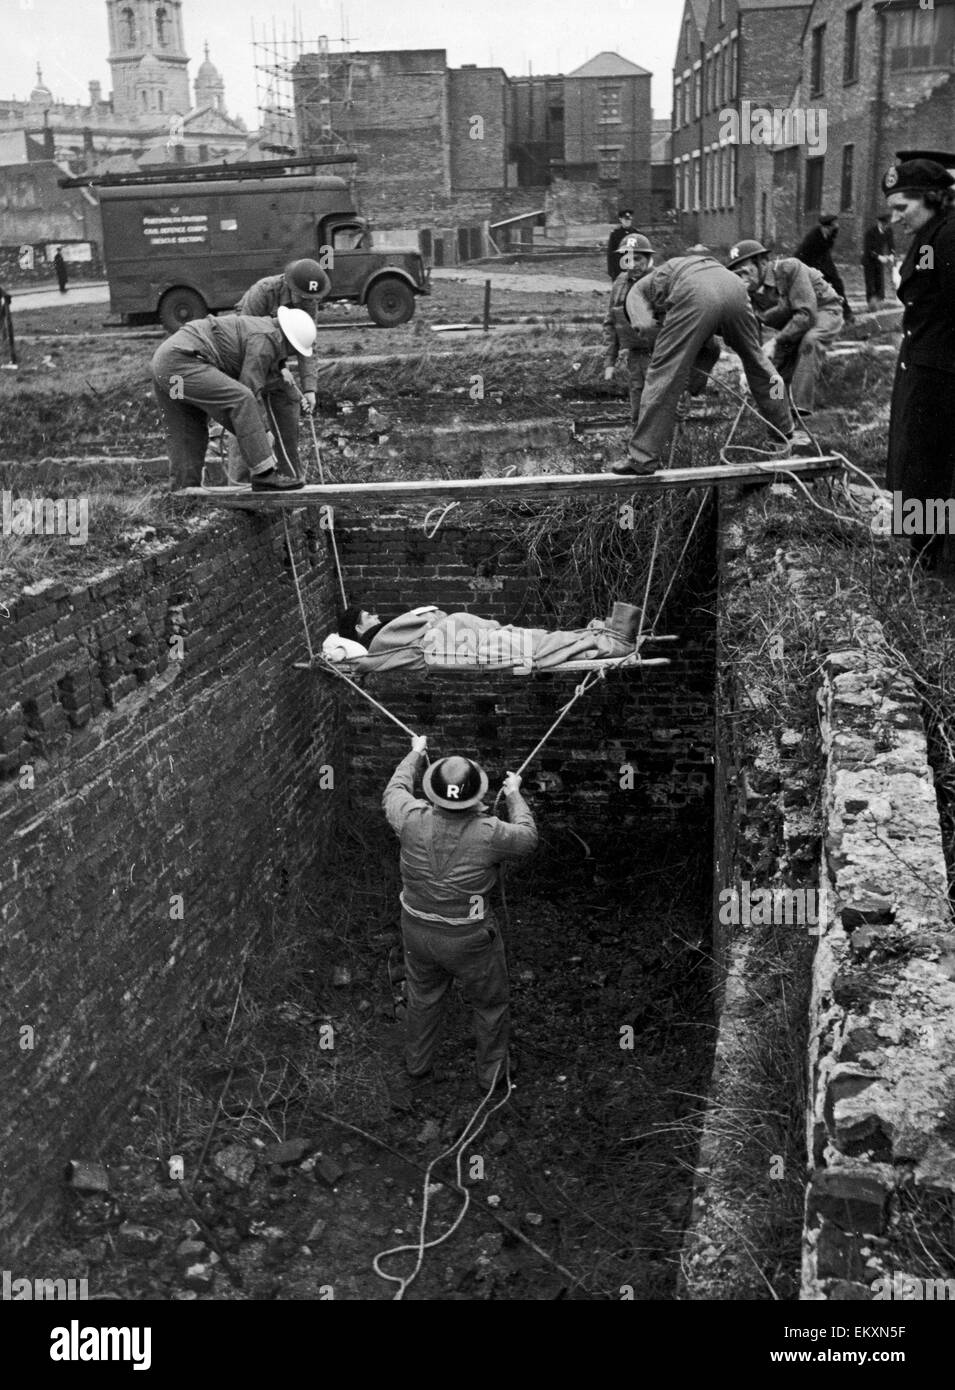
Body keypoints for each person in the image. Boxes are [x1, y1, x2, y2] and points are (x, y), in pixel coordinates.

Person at [382, 734, 538, 1091]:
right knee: (490, 1004)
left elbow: (395, 788)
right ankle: (492, 1077)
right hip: (470, 939)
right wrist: (514, 792)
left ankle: (418, 1066)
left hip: (417, 932)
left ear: (433, 792)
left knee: (422, 997)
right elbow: (528, 837)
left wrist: (415, 753)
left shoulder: (409, 817)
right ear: (475, 795)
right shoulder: (490, 832)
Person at [606, 252, 813, 475]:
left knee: (662, 373)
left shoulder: (635, 294)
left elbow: (645, 327)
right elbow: (711, 349)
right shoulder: (674, 272)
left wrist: (666, 348)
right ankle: (784, 429)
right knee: (759, 364)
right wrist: (690, 388)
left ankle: (641, 457)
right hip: (733, 287)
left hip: (696, 292)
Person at [151, 306, 316, 491]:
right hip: (182, 363)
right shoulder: (267, 338)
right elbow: (249, 389)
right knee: (242, 398)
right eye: (293, 351)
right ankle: (264, 475)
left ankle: (183, 496)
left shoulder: (260, 328)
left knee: (187, 430)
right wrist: (264, 431)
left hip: (166, 368)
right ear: (290, 342)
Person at [882, 156, 955, 570]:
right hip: (923, 370)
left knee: (933, 467)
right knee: (917, 464)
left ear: (930, 199)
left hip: (942, 377)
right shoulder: (930, 237)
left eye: (901, 208)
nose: (894, 219)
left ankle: (935, 561)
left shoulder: (948, 237)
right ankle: (924, 552)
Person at [225, 259, 332, 482]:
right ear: (289, 286)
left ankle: (290, 478)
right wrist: (281, 365)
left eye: (311, 300)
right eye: (302, 298)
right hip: (246, 359)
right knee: (245, 413)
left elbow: (307, 344)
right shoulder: (262, 293)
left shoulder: (308, 301)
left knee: (288, 403)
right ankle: (239, 486)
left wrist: (310, 388)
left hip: (274, 360)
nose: (307, 303)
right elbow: (249, 338)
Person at [324, 601, 646, 672]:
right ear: (358, 629)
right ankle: (612, 641)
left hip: (463, 635)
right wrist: (336, 652)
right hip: (458, 645)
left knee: (535, 639)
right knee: (535, 649)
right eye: (369, 618)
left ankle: (604, 636)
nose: (377, 617)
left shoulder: (385, 639)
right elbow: (350, 657)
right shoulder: (375, 648)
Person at [727, 238, 844, 418]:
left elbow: (807, 314)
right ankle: (779, 414)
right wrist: (749, 372)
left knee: (810, 341)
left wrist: (776, 341)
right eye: (736, 274)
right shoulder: (746, 295)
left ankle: (800, 410)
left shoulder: (789, 269)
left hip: (823, 311)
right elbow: (754, 341)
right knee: (775, 368)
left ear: (763, 263)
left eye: (744, 271)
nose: (741, 278)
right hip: (794, 324)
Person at [602, 233, 659, 454]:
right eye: (627, 259)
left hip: (661, 357)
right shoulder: (619, 283)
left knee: (663, 412)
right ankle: (639, 460)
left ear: (648, 259)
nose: (632, 265)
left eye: (638, 259)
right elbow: (611, 322)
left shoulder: (660, 282)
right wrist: (610, 360)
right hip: (635, 358)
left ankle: (676, 463)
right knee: (637, 413)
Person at [795, 213, 851, 320]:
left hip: (824, 259)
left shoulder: (832, 233)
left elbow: (827, 250)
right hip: (808, 262)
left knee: (837, 283)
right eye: (832, 227)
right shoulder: (812, 238)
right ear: (825, 227)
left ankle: (846, 312)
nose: (834, 229)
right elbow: (806, 257)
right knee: (815, 288)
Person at [862, 214, 895, 311]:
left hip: (879, 261)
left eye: (886, 225)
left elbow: (891, 245)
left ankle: (879, 303)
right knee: (870, 283)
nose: (885, 227)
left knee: (879, 282)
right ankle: (871, 305)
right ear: (879, 223)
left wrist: (891, 254)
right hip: (869, 260)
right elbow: (868, 249)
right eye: (883, 225)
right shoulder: (870, 233)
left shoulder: (888, 231)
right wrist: (879, 257)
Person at [606, 209, 634, 278]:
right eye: (625, 220)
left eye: (629, 219)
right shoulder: (615, 234)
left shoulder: (636, 233)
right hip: (619, 268)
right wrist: (611, 270)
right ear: (620, 220)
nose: (627, 221)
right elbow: (611, 253)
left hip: (633, 267)